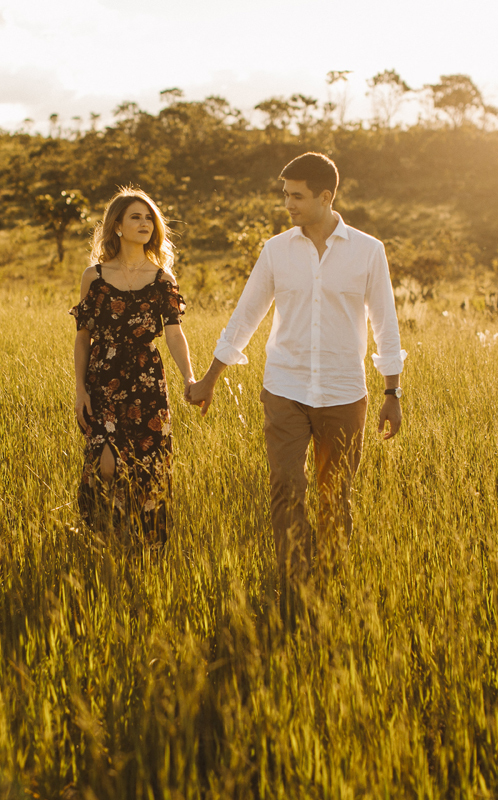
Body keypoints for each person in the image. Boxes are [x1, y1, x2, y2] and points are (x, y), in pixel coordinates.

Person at [186, 152, 404, 620]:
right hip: (284, 387)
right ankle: (292, 582)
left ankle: (329, 582)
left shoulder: (368, 251)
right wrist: (210, 378)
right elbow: (246, 316)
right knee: (285, 485)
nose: (288, 203)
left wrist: (393, 392)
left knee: (335, 493)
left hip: (345, 393)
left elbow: (386, 324)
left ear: (327, 197)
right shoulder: (275, 251)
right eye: (285, 194)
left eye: (297, 196)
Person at [71, 188, 194, 545]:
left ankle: (142, 545)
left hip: (147, 379)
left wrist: (189, 376)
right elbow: (83, 338)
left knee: (148, 465)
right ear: (118, 226)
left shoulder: (162, 279)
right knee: (104, 464)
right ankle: (101, 538)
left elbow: (174, 335)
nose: (144, 223)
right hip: (103, 377)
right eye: (135, 217)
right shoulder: (93, 277)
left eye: (149, 218)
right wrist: (80, 389)